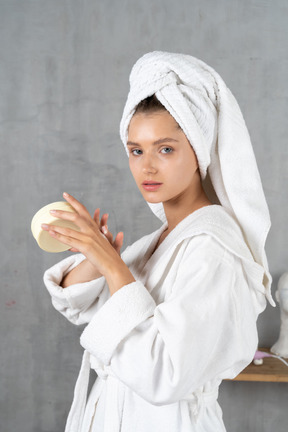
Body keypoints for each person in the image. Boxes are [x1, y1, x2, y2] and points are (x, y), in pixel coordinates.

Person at [42, 51, 275, 432]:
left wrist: (113, 265)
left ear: (198, 152)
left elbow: (165, 374)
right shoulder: (158, 242)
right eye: (136, 150)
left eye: (165, 149)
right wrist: (93, 253)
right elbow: (77, 307)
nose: (146, 166)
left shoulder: (215, 249)